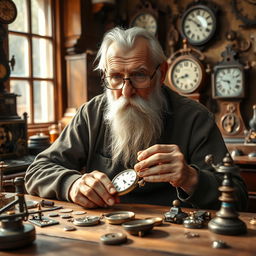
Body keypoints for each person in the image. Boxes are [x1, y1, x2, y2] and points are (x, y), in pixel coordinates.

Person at [25, 27, 248, 210]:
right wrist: (72, 184)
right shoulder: (91, 113)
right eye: (115, 77)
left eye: (139, 75)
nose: (126, 91)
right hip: (103, 234)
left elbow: (238, 195)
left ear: (161, 73)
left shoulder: (195, 118)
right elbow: (37, 171)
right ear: (105, 76)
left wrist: (191, 178)